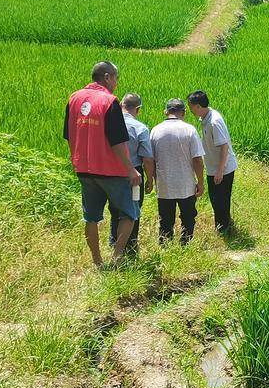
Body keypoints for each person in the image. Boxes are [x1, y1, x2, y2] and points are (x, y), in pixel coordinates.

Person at [64, 61, 141, 268]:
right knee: (129, 214)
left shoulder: (74, 99)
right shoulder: (109, 101)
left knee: (91, 217)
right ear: (107, 77)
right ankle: (117, 257)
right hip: (111, 170)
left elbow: (69, 135)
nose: (116, 83)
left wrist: (76, 160)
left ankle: (97, 262)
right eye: (115, 78)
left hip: (85, 169)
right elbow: (117, 141)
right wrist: (130, 169)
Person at [150, 99, 206, 244]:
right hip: (186, 185)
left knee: (165, 220)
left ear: (166, 112)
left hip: (164, 185)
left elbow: (150, 160)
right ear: (184, 112)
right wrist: (200, 182)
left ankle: (165, 246)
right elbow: (198, 160)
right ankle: (185, 245)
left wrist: (152, 180)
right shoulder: (189, 130)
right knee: (188, 218)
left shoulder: (155, 131)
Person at [108, 93, 155, 256]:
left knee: (114, 208)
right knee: (133, 210)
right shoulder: (140, 128)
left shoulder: (109, 124)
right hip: (134, 175)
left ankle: (113, 243)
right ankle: (130, 247)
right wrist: (150, 180)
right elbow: (147, 159)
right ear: (138, 109)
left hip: (111, 172)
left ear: (121, 105)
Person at [187, 90, 238, 236]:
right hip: (213, 167)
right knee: (215, 199)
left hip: (222, 168)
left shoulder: (214, 121)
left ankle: (223, 230)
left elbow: (224, 146)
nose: (190, 110)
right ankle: (222, 226)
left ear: (197, 106)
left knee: (221, 200)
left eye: (191, 107)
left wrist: (220, 170)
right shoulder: (205, 118)